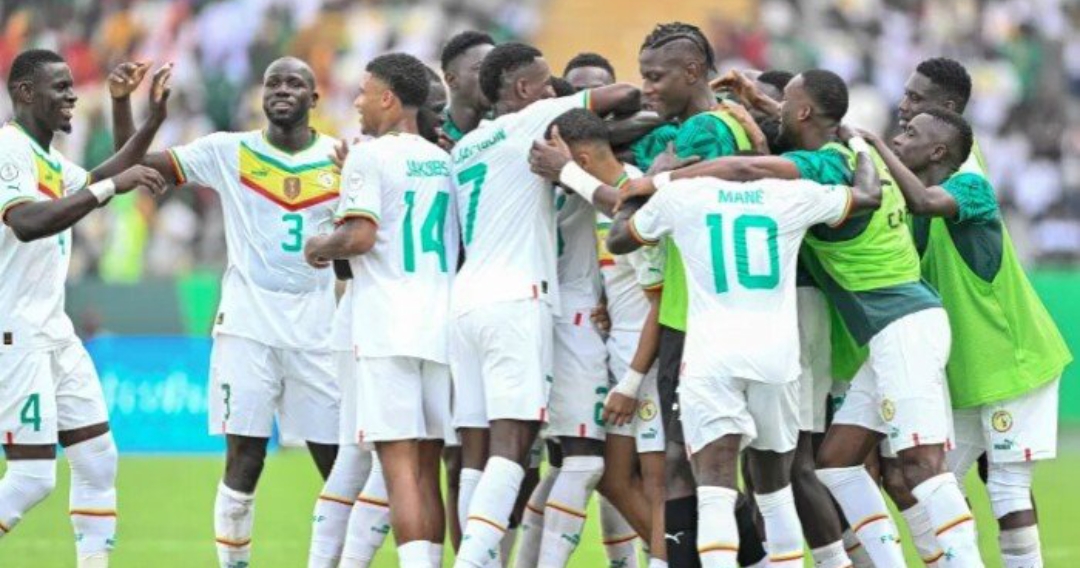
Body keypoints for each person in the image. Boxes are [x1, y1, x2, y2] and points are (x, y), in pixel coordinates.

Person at [604, 139, 883, 568]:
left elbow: (620, 239)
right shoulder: (791, 195)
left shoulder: (683, 195)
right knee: (774, 489)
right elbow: (868, 196)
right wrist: (862, 147)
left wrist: (649, 182)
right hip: (775, 356)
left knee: (714, 486)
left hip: (710, 357)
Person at [127, 57, 344, 568]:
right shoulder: (229, 150)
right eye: (273, 82)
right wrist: (138, 114)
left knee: (339, 469)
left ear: (314, 99)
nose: (282, 90)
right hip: (247, 325)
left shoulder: (342, 158)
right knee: (244, 461)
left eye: (295, 83)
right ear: (260, 95)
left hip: (319, 329)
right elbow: (136, 164)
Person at [447, 41, 639, 568]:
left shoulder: (466, 147)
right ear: (523, 88)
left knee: (477, 459)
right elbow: (626, 94)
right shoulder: (533, 123)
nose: (555, 88)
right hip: (526, 301)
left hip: (466, 302)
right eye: (547, 79)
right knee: (526, 451)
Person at [868, 108, 1071, 568]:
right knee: (934, 480)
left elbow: (924, 200)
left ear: (938, 150)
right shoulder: (910, 209)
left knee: (1007, 487)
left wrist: (874, 144)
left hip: (1014, 362)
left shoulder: (970, 186)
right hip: (965, 372)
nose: (898, 135)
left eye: (910, 132)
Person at [0, 49, 170, 568]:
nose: (73, 95)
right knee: (32, 478)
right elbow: (26, 222)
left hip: (53, 330)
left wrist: (141, 113)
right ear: (25, 92)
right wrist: (107, 187)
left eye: (73, 86)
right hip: (13, 333)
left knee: (97, 460)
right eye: (60, 86)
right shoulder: (8, 147)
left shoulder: (50, 160)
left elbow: (113, 173)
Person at [304, 52, 458, 568]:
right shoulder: (443, 160)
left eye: (365, 92)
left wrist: (318, 246)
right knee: (428, 468)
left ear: (389, 98)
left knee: (399, 468)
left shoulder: (369, 157)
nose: (357, 102)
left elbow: (360, 237)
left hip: (388, 327)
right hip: (440, 326)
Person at [528, 107, 670, 568]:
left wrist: (631, 381)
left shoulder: (636, 201)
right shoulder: (602, 205)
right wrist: (609, 303)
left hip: (647, 361)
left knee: (657, 482)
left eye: (557, 162)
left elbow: (661, 305)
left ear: (582, 162)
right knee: (613, 478)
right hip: (621, 348)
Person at [439, 31, 497, 147]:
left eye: (497, 67)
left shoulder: (507, 128)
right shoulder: (432, 134)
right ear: (451, 80)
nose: (495, 75)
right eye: (481, 68)